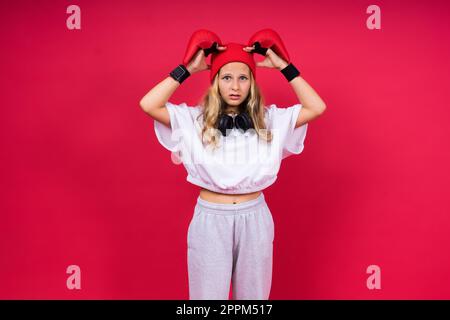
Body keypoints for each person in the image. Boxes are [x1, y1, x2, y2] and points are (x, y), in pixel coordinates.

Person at [139, 29, 326, 300]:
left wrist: (284, 66)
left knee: (254, 298)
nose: (235, 87)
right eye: (227, 78)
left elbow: (316, 107)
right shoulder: (193, 120)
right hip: (211, 218)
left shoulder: (270, 120)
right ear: (216, 82)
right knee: (206, 299)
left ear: (252, 82)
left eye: (242, 78)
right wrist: (187, 69)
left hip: (255, 217)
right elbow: (148, 104)